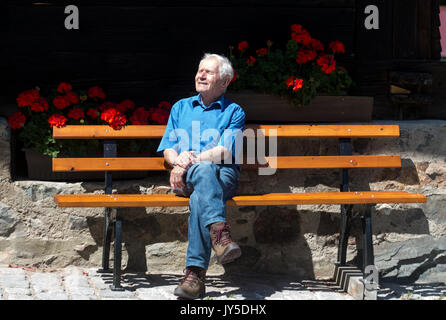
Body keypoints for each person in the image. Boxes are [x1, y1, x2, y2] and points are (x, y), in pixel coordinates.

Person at [157, 53, 245, 299]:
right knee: (202, 176)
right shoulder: (180, 107)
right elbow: (169, 150)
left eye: (208, 72)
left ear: (224, 81)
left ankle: (194, 276)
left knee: (200, 197)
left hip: (223, 175)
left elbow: (225, 151)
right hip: (187, 176)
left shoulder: (234, 111)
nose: (200, 75)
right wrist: (177, 162)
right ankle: (220, 235)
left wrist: (189, 161)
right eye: (199, 70)